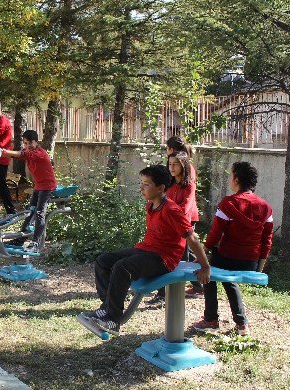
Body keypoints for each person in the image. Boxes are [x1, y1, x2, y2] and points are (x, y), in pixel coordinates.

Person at [80, 165, 211, 335]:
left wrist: (205, 266)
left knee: (122, 267)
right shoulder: (150, 205)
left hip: (164, 258)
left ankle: (113, 319)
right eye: (141, 183)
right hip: (147, 250)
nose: (141, 188)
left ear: (161, 188)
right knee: (103, 261)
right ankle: (107, 308)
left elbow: (192, 238)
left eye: (146, 184)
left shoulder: (171, 210)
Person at [192, 162, 273, 336]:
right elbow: (267, 239)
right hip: (250, 263)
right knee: (229, 281)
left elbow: (215, 235)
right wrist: (260, 265)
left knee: (209, 273)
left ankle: (211, 319)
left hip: (227, 259)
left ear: (236, 179)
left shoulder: (228, 204)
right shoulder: (265, 207)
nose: (230, 178)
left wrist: (202, 254)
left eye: (231, 175)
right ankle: (242, 325)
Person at [148, 135, 201, 304]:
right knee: (184, 254)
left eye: (167, 149)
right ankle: (198, 286)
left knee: (178, 256)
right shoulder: (172, 174)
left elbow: (186, 202)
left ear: (173, 150)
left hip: (182, 221)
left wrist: (172, 218)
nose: (170, 166)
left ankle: (167, 292)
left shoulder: (187, 174)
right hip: (172, 222)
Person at [0, 130, 57, 253]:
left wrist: (5, 152)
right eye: (25, 143)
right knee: (30, 211)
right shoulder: (30, 152)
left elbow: (20, 154)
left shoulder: (39, 153)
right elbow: (22, 153)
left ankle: (35, 243)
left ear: (36, 142)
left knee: (40, 213)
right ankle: (20, 240)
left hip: (47, 186)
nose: (28, 145)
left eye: (30, 142)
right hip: (39, 186)